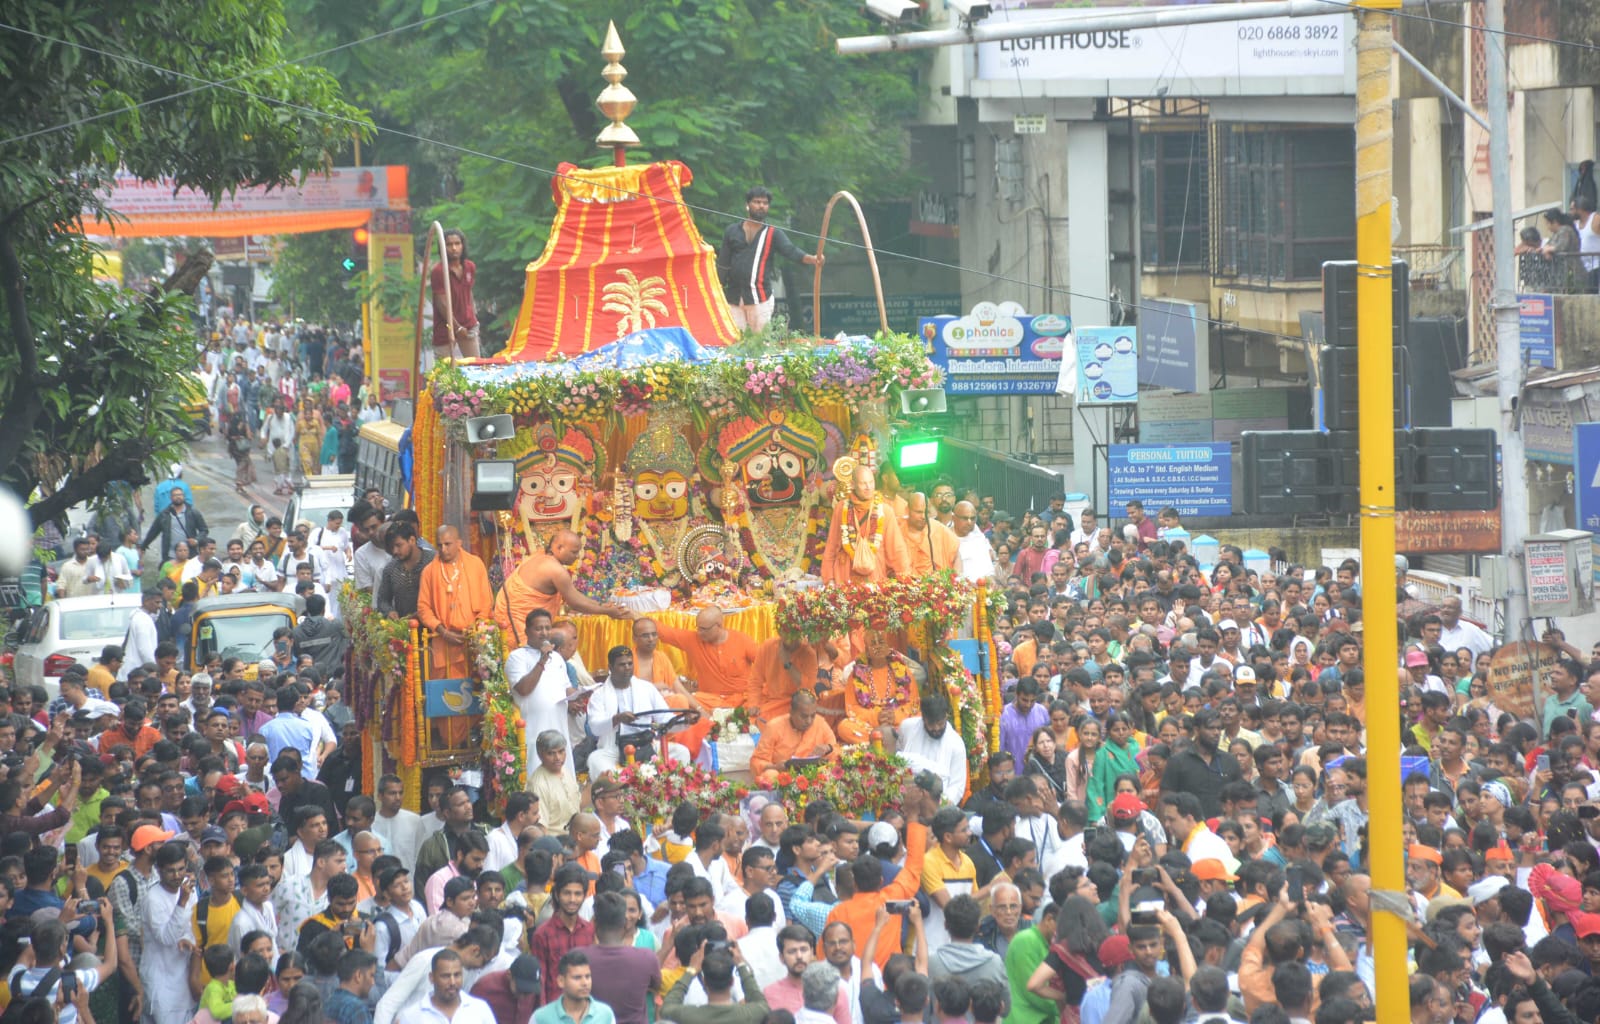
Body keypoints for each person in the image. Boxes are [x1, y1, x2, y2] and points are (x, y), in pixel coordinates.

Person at [495, 529, 627, 647]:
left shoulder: (538, 556)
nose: (577, 556)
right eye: (574, 552)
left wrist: (603, 605)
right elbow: (576, 603)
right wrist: (608, 611)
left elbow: (575, 595)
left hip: (510, 617)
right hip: (519, 623)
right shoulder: (555, 570)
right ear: (559, 548)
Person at [717, 186, 823, 332]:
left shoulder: (774, 233)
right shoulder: (732, 231)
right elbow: (723, 264)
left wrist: (812, 259)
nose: (761, 206)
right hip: (734, 297)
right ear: (747, 205)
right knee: (734, 339)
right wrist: (717, 290)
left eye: (765, 203)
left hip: (760, 298)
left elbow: (791, 251)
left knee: (759, 342)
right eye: (757, 202)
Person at [416, 526, 493, 679]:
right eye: (439, 545)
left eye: (447, 544)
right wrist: (443, 632)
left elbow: (487, 600)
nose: (443, 549)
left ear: (459, 543)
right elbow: (423, 608)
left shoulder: (475, 564)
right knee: (446, 694)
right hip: (444, 641)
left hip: (473, 640)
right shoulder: (429, 571)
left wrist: (476, 630)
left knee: (477, 688)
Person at [821, 465, 909, 588]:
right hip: (844, 575)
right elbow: (832, 545)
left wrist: (904, 580)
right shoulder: (841, 508)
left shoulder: (885, 510)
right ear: (852, 484)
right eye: (863, 483)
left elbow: (897, 549)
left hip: (874, 576)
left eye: (871, 482)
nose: (868, 487)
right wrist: (829, 579)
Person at [396, 949, 496, 1024]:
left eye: (457, 975)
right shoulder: (411, 1016)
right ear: (432, 978)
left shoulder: (480, 1009)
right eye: (445, 976)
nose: (452, 982)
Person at [431, 229, 481, 360]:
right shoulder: (439, 271)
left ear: (462, 245)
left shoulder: (470, 267)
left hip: (468, 325)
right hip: (445, 328)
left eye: (457, 243)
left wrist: (473, 316)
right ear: (443, 247)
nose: (454, 248)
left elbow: (468, 293)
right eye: (449, 244)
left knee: (476, 366)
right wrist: (457, 328)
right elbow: (441, 303)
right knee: (443, 373)